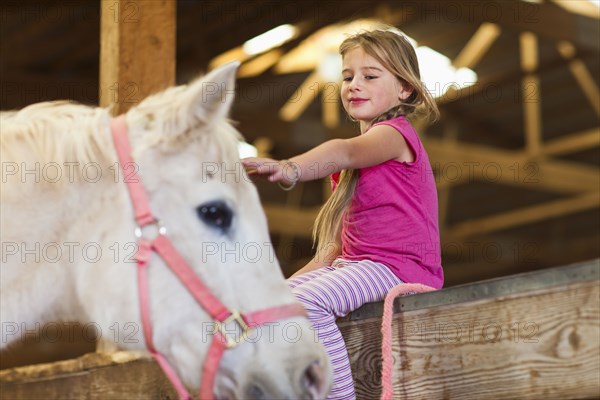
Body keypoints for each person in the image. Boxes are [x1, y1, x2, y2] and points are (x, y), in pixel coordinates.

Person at [242, 26, 443, 400]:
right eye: (348, 76)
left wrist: (291, 168)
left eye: (370, 76)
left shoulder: (395, 135)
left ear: (405, 89)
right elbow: (330, 253)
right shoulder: (348, 171)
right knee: (278, 304)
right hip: (356, 267)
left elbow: (346, 149)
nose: (354, 84)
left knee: (305, 303)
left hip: (397, 268)